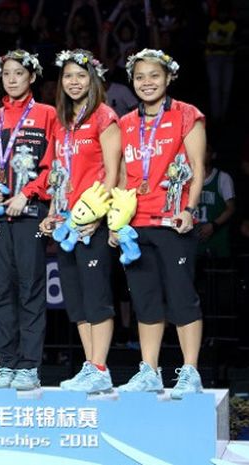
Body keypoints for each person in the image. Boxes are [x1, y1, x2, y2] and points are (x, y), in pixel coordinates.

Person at [115, 49, 206, 399]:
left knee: (182, 298)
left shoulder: (187, 116)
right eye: (140, 77)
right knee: (145, 300)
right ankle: (150, 370)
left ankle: (190, 371)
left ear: (168, 78)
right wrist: (116, 222)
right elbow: (123, 177)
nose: (147, 82)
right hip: (137, 225)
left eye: (154, 75)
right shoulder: (125, 123)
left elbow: (197, 168)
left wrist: (191, 208)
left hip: (174, 222)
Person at [39, 49, 120, 394]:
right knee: (76, 299)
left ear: (93, 80)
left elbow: (115, 174)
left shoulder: (104, 117)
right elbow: (57, 173)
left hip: (93, 222)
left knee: (97, 295)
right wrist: (51, 214)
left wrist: (99, 216)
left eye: (81, 76)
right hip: (65, 224)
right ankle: (91, 366)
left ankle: (101, 367)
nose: (74, 82)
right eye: (68, 76)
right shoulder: (60, 121)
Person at [0, 50, 56, 390]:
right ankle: (7, 364)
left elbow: (54, 166)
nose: (12, 79)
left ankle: (29, 365)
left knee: (31, 289)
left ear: (32, 77)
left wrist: (30, 193)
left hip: (30, 213)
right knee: (1, 290)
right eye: (6, 73)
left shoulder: (48, 115)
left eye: (19, 74)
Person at [196, 144, 235, 260]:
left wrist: (213, 225)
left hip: (217, 239)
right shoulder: (188, 178)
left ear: (213, 155)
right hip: (194, 239)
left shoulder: (223, 178)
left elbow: (231, 208)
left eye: (206, 151)